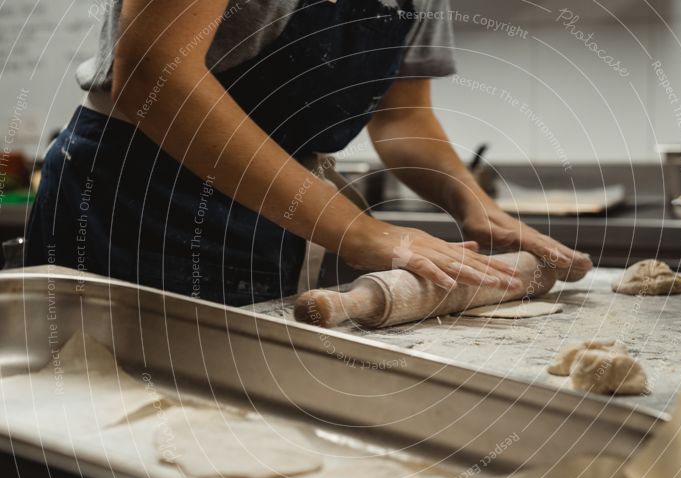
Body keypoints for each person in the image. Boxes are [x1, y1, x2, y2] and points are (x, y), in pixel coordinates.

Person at [26, 0, 592, 306]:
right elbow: (154, 75)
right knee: (106, 428)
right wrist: (361, 232)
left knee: (233, 422)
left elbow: (402, 116)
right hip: (135, 200)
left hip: (278, 210)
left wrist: (468, 200)